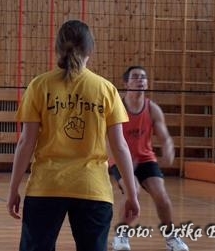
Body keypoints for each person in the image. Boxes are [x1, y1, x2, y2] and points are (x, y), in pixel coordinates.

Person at [7, 20, 139, 251]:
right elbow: (120, 146)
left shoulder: (39, 86)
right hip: (92, 188)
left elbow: (26, 142)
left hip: (46, 186)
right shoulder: (106, 89)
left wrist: (13, 189)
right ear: (90, 49)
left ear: (57, 48)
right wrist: (131, 194)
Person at [110, 65, 189, 251]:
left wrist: (168, 149)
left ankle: (171, 237)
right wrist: (119, 160)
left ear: (147, 83)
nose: (140, 80)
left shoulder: (152, 109)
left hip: (145, 159)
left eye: (143, 77)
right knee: (133, 191)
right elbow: (108, 139)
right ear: (126, 83)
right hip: (121, 159)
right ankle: (121, 236)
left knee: (162, 196)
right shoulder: (117, 107)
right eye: (135, 77)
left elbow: (165, 138)